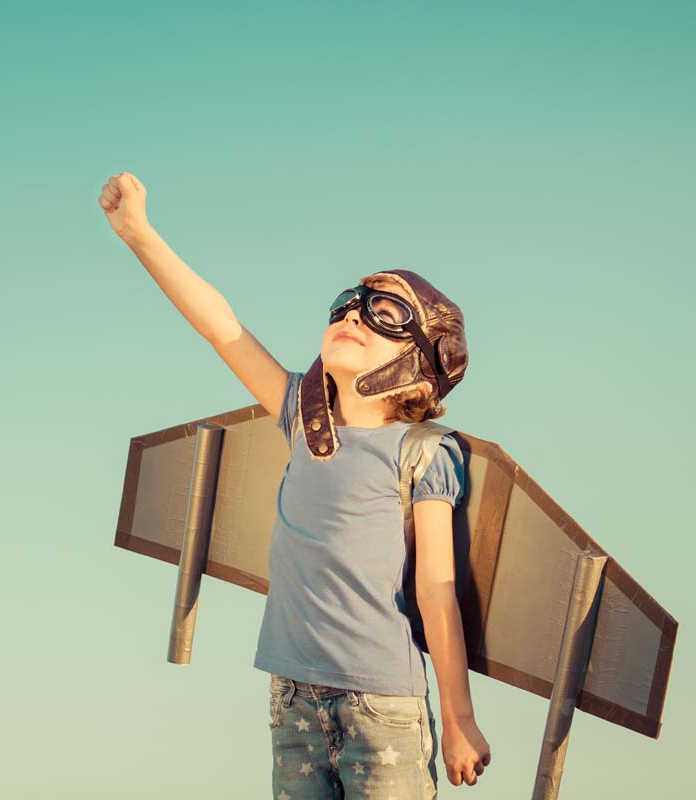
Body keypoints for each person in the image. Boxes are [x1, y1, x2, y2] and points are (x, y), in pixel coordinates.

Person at [98, 172, 492, 798]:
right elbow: (221, 327)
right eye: (347, 305)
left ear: (417, 358)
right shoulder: (301, 420)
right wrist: (140, 235)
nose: (353, 318)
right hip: (291, 698)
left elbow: (437, 590)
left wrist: (459, 716)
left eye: (384, 314)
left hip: (382, 706)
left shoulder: (423, 452)